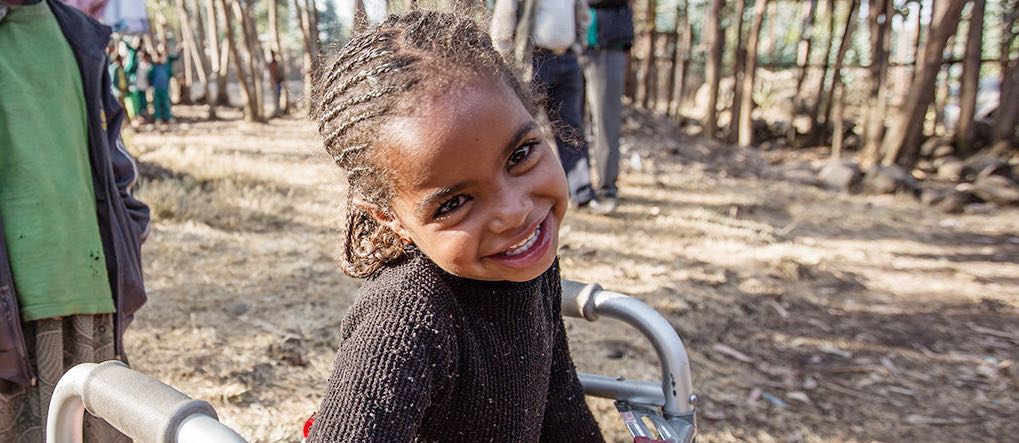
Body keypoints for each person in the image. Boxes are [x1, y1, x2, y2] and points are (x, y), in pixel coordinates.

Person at [305, 11, 603, 442]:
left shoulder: (529, 263)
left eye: (520, 155)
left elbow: (559, 400)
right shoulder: (405, 319)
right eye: (455, 203)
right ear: (389, 217)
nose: (514, 212)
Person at [0, 0, 150, 440]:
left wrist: (131, 231)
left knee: (91, 426)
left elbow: (114, 162)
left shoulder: (79, 35)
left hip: (88, 287)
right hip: (12, 303)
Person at [492, 0, 616, 214]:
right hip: (533, 61)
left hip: (567, 59)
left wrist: (577, 47)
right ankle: (514, 196)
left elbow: (583, 15)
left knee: (571, 129)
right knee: (519, 130)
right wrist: (506, 61)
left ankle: (582, 193)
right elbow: (504, 18)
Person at [582, 0, 634, 213]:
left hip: (606, 44)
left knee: (606, 121)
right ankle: (576, 187)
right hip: (563, 44)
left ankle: (607, 188)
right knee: (568, 122)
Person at [149, 45, 179, 127]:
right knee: (157, 103)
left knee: (166, 102)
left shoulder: (166, 65)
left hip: (164, 86)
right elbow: (150, 77)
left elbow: (170, 73)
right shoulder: (153, 67)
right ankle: (158, 118)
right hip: (156, 87)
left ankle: (168, 117)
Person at [268, 50, 284, 116]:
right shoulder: (271, 64)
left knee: (277, 97)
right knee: (276, 97)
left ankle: (278, 111)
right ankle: (277, 111)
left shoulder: (276, 63)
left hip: (277, 82)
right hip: (274, 82)